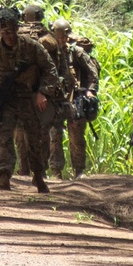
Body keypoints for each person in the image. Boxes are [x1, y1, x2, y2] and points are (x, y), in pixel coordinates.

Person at [0, 6, 58, 193]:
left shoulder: (32, 47)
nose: (8, 35)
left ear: (17, 28)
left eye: (12, 29)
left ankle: (38, 175)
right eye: (4, 30)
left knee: (35, 137)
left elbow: (51, 71)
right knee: (3, 136)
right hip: (5, 100)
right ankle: (4, 176)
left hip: (28, 97)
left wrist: (42, 92)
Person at [40, 19, 99, 179]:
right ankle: (56, 172)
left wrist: (90, 91)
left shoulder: (77, 52)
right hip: (56, 100)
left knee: (76, 137)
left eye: (65, 37)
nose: (62, 40)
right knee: (54, 136)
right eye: (59, 37)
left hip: (75, 99)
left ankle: (79, 171)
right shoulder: (49, 53)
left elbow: (93, 72)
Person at [15, 4, 50, 175]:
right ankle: (41, 170)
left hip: (18, 91)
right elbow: (55, 68)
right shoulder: (47, 37)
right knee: (41, 131)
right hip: (39, 93)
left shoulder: (15, 35)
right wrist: (44, 92)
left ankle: (24, 169)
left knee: (20, 131)